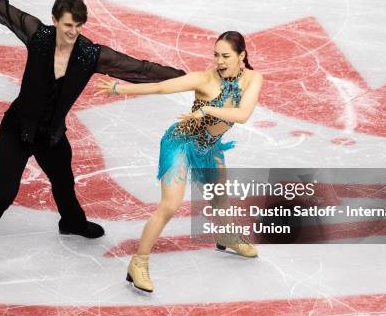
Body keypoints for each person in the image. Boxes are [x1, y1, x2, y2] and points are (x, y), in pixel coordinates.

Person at [0, 0, 186, 285]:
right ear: (54, 20)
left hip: (51, 136)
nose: (73, 32)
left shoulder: (89, 54)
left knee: (64, 182)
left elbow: (139, 69)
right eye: (67, 25)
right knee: (5, 193)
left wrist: (190, 79)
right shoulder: (37, 36)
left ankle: (72, 222)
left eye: (78, 25)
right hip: (17, 129)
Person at [96, 31, 263, 293]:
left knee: (220, 196)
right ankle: (138, 263)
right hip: (181, 143)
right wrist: (119, 89)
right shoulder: (203, 79)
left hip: (209, 146)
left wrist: (206, 109)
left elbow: (242, 114)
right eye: (216, 55)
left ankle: (226, 235)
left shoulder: (254, 78)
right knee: (170, 205)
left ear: (242, 55)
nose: (219, 61)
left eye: (226, 56)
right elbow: (160, 87)